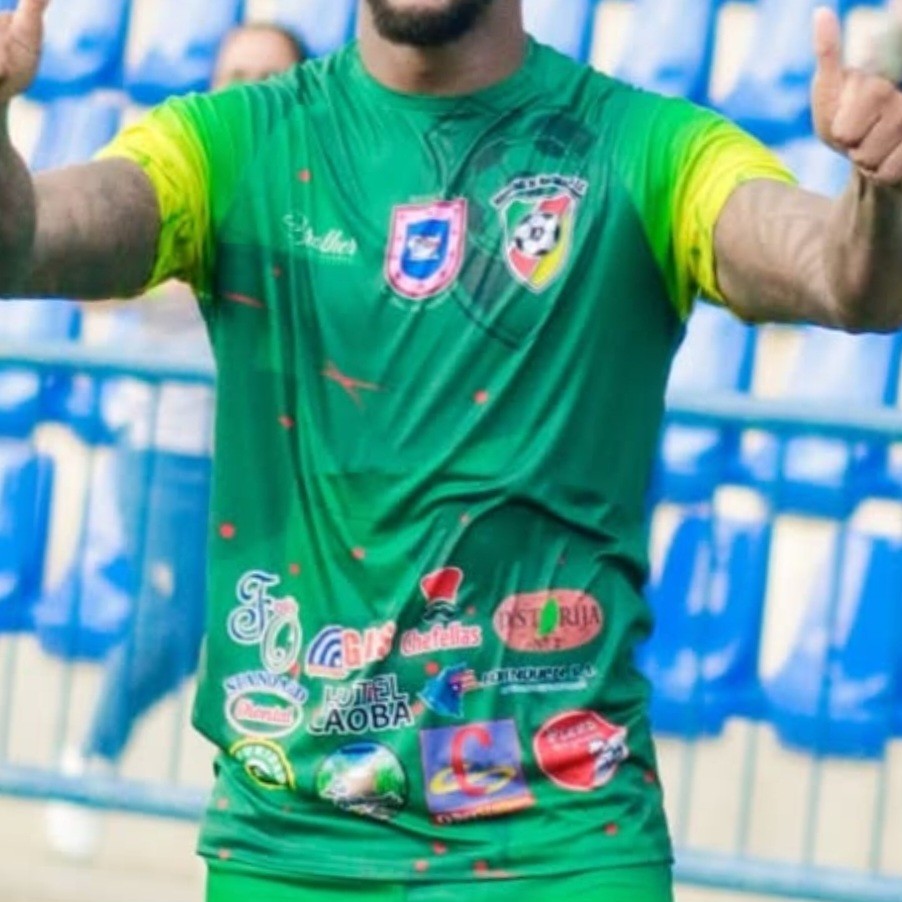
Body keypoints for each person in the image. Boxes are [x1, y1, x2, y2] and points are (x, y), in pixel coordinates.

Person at [3, 0, 902, 899]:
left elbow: (844, 276)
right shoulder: (233, 142)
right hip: (292, 843)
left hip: (562, 844)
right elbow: (28, 240)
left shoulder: (649, 148)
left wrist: (883, 194)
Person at [41, 20, 306, 862]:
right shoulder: (182, 170)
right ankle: (88, 761)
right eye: (235, 72)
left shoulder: (319, 191)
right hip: (172, 450)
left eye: (267, 76)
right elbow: (91, 292)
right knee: (170, 624)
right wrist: (193, 267)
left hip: (279, 463)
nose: (247, 88)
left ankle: (287, 814)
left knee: (282, 638)